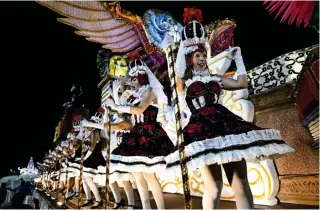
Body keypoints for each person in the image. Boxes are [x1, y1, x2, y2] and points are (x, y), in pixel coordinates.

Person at [163, 8, 295, 210]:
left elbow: (242, 83)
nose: (202, 59)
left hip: (226, 125)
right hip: (202, 132)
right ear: (190, 58)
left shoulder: (216, 78)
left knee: (240, 182)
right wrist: (180, 45)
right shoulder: (185, 82)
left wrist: (238, 57)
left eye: (203, 55)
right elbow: (177, 73)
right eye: (197, 55)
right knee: (214, 187)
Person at [82, 54, 175, 209]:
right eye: (130, 79)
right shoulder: (133, 96)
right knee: (138, 176)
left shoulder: (149, 91)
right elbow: (122, 120)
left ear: (141, 76)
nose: (131, 83)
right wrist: (116, 101)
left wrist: (117, 106)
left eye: (133, 79)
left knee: (149, 176)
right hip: (136, 133)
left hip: (149, 132)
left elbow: (140, 109)